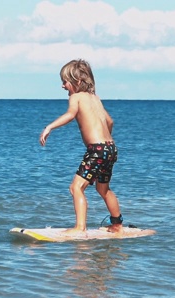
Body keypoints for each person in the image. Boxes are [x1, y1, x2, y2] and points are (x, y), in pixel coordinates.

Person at [39, 59, 123, 237]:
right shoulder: (95, 99)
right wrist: (105, 139)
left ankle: (80, 227)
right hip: (110, 148)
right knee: (103, 189)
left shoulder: (76, 97)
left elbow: (70, 115)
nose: (63, 86)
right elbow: (110, 121)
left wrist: (49, 127)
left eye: (65, 82)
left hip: (97, 150)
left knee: (76, 188)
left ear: (77, 82)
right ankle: (117, 225)